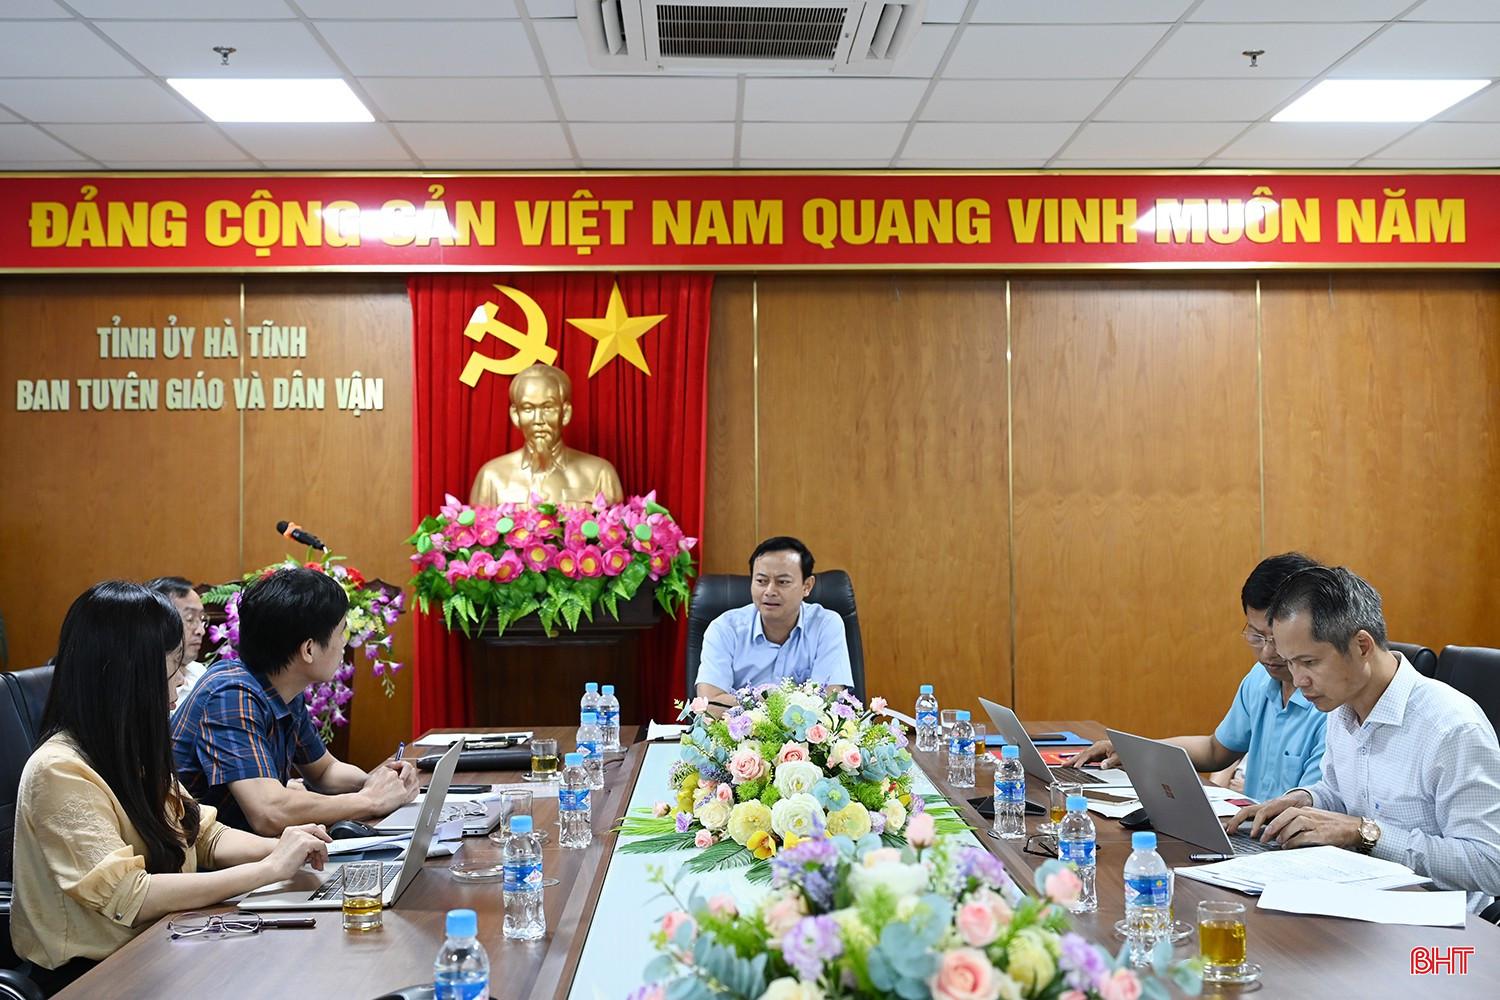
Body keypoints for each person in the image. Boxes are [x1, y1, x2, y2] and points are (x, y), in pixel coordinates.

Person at [11, 582, 330, 993]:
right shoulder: (58, 770)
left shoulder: (129, 749)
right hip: (93, 976)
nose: (181, 681)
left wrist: (286, 848)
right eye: (173, 667)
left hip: (162, 945)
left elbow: (202, 834)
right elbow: (130, 895)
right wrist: (267, 869)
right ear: (130, 676)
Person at [1227, 566, 1500, 913]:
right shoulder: (1341, 706)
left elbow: (1490, 864)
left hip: (1437, 920)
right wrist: (1302, 800)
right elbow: (1340, 793)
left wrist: (1365, 833)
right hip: (1360, 900)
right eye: (1291, 663)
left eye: (1309, 662)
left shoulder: (1451, 728)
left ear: (1361, 646)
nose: (1299, 680)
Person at [172, 567, 419, 835]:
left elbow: (324, 771)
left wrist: (381, 782)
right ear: (309, 649)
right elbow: (269, 812)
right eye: (341, 633)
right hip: (195, 854)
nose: (344, 644)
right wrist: (370, 801)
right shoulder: (231, 694)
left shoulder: (284, 687)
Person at [1068, 553, 1327, 802]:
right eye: (1257, 636)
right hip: (1247, 826)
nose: (1267, 653)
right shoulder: (1259, 679)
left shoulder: (1328, 702)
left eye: (1277, 639)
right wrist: (1132, 752)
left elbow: (1310, 808)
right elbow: (1215, 750)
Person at [694, 536, 852, 712]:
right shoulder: (724, 629)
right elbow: (710, 705)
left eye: (782, 582)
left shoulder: (826, 625)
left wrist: (752, 704)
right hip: (737, 731)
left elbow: (828, 702)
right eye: (761, 581)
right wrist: (782, 703)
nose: (769, 591)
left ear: (807, 586)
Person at [469, 362, 624, 507]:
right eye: (528, 408)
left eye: (548, 408)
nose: (538, 420)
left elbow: (616, 524)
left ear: (565, 413)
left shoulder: (600, 474)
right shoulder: (491, 477)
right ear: (516, 415)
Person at [145, 575, 207, 708]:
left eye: (202, 619)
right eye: (190, 619)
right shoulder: (149, 687)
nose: (201, 631)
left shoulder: (201, 673)